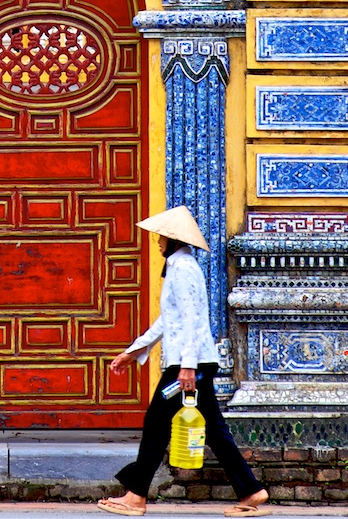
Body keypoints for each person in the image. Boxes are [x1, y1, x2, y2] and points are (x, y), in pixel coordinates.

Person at [97, 206, 269, 519]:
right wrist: (134, 350)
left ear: (174, 240)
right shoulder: (178, 267)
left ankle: (135, 496)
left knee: (156, 424)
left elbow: (191, 320)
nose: (158, 242)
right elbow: (169, 320)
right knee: (212, 430)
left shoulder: (185, 268)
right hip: (191, 365)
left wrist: (188, 366)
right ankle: (250, 490)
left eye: (162, 237)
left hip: (189, 368)